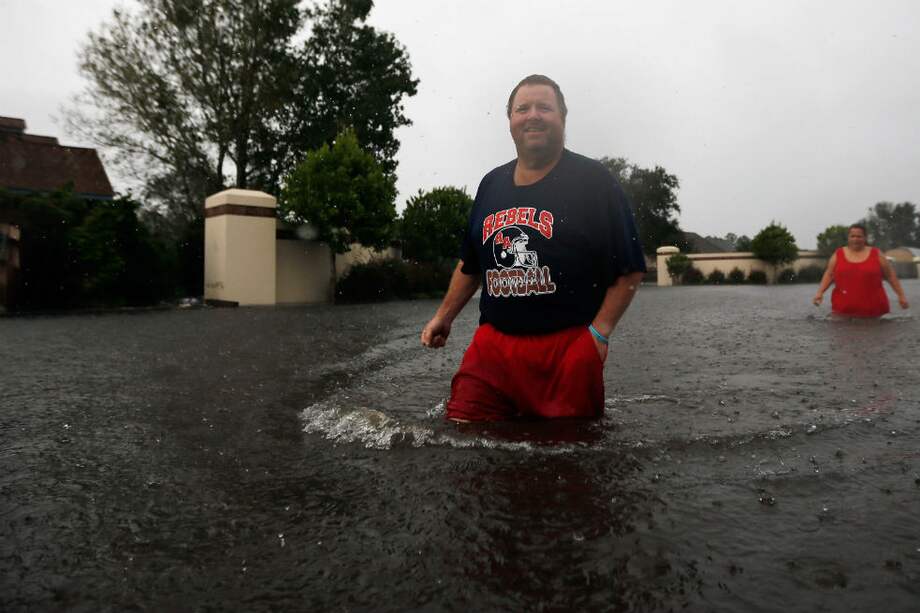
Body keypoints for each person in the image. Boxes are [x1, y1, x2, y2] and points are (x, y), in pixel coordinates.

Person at [420, 74, 646, 422]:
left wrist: (598, 335)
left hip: (567, 348)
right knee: (462, 434)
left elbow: (630, 268)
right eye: (522, 108)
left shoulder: (594, 181)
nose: (533, 115)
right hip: (493, 346)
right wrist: (443, 317)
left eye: (545, 107)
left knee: (566, 460)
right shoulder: (491, 184)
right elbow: (470, 265)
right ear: (510, 121)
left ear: (562, 118)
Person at [812, 223, 909, 317]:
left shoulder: (877, 254)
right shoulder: (838, 254)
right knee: (840, 332)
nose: (855, 239)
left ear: (865, 238)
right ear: (848, 238)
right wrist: (820, 293)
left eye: (859, 236)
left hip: (875, 311)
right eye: (852, 236)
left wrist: (901, 296)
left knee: (878, 333)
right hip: (842, 310)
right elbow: (829, 274)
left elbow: (890, 276)